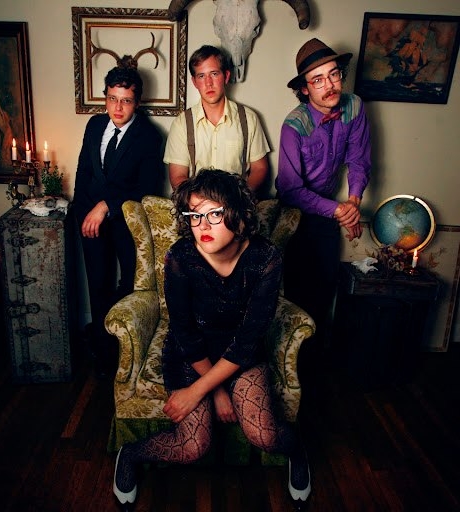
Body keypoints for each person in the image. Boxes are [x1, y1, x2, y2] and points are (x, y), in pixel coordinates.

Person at [113, 169, 311, 509]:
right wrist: (217, 391)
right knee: (193, 446)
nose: (202, 225)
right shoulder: (180, 256)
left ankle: (297, 451)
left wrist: (199, 391)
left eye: (214, 214)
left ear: (240, 214)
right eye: (194, 215)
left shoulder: (265, 258)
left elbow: (248, 339)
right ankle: (129, 454)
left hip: (242, 355)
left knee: (264, 435)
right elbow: (184, 332)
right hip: (191, 354)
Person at [276, 38, 371, 347]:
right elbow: (290, 190)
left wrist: (353, 202)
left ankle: (318, 366)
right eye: (318, 80)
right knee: (297, 299)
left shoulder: (354, 107)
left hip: (330, 212)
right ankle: (293, 364)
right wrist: (340, 210)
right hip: (293, 217)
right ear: (304, 89)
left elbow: (358, 159)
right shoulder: (293, 126)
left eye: (334, 74)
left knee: (326, 291)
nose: (329, 85)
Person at [72, 59, 164, 377]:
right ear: (105, 97)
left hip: (127, 224)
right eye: (112, 98)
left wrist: (106, 206)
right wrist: (83, 214)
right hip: (90, 222)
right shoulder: (94, 126)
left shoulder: (149, 136)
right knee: (97, 284)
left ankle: (120, 346)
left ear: (137, 101)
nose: (118, 107)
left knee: (129, 285)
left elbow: (147, 188)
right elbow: (84, 173)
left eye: (126, 100)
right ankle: (102, 353)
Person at [164, 45, 270, 194]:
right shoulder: (181, 124)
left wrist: (239, 197)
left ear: (226, 76)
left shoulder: (248, 118)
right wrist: (201, 201)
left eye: (214, 74)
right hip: (197, 205)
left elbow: (260, 168)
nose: (208, 83)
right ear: (194, 82)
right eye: (201, 76)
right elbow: (177, 176)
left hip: (237, 203)